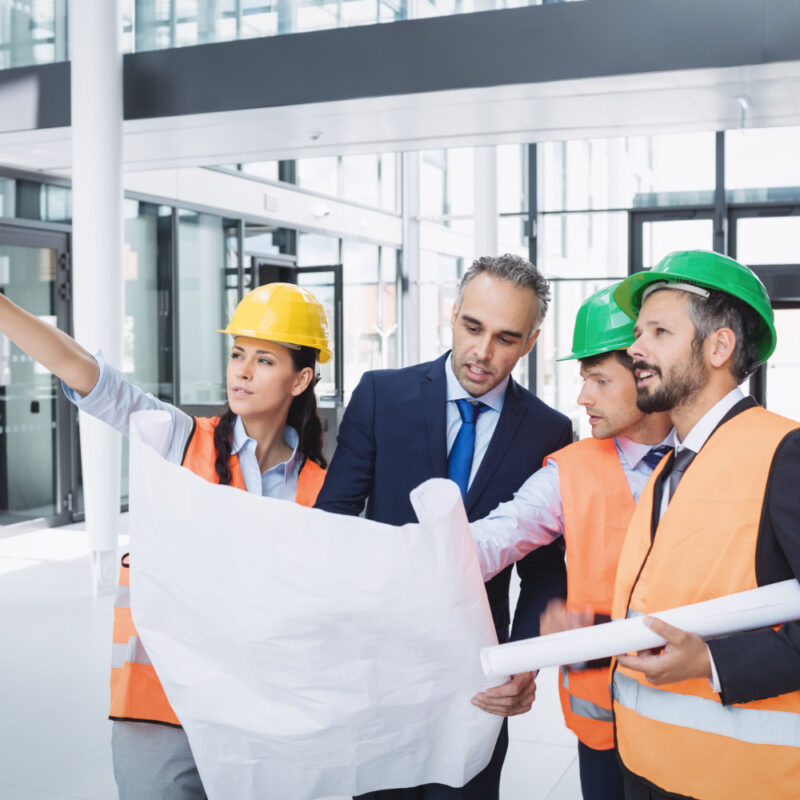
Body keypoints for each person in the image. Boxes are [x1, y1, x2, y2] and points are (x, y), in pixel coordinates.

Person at [0, 282, 332, 800]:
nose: (241, 371)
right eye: (238, 354)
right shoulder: (179, 439)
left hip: (260, 710)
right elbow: (88, 375)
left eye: (264, 360)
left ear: (301, 379)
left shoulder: (321, 489)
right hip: (159, 707)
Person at [315, 253, 573, 800]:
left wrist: (522, 663)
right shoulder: (382, 395)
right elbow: (332, 523)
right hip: (377, 664)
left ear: (531, 342)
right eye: (472, 327)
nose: (482, 353)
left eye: (506, 338)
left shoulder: (551, 430)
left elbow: (546, 573)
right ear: (453, 314)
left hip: (476, 673)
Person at [608, 250, 800, 800]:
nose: (634, 349)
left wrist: (711, 660)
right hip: (646, 767)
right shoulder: (672, 465)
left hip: (737, 782)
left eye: (659, 332)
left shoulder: (785, 453)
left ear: (719, 347)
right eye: (638, 332)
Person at [469, 282, 672, 800]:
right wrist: (415, 558)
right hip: (603, 722)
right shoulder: (571, 470)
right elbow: (500, 534)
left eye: (600, 381)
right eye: (584, 380)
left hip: (696, 718)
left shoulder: (713, 458)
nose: (583, 398)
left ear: (646, 375)